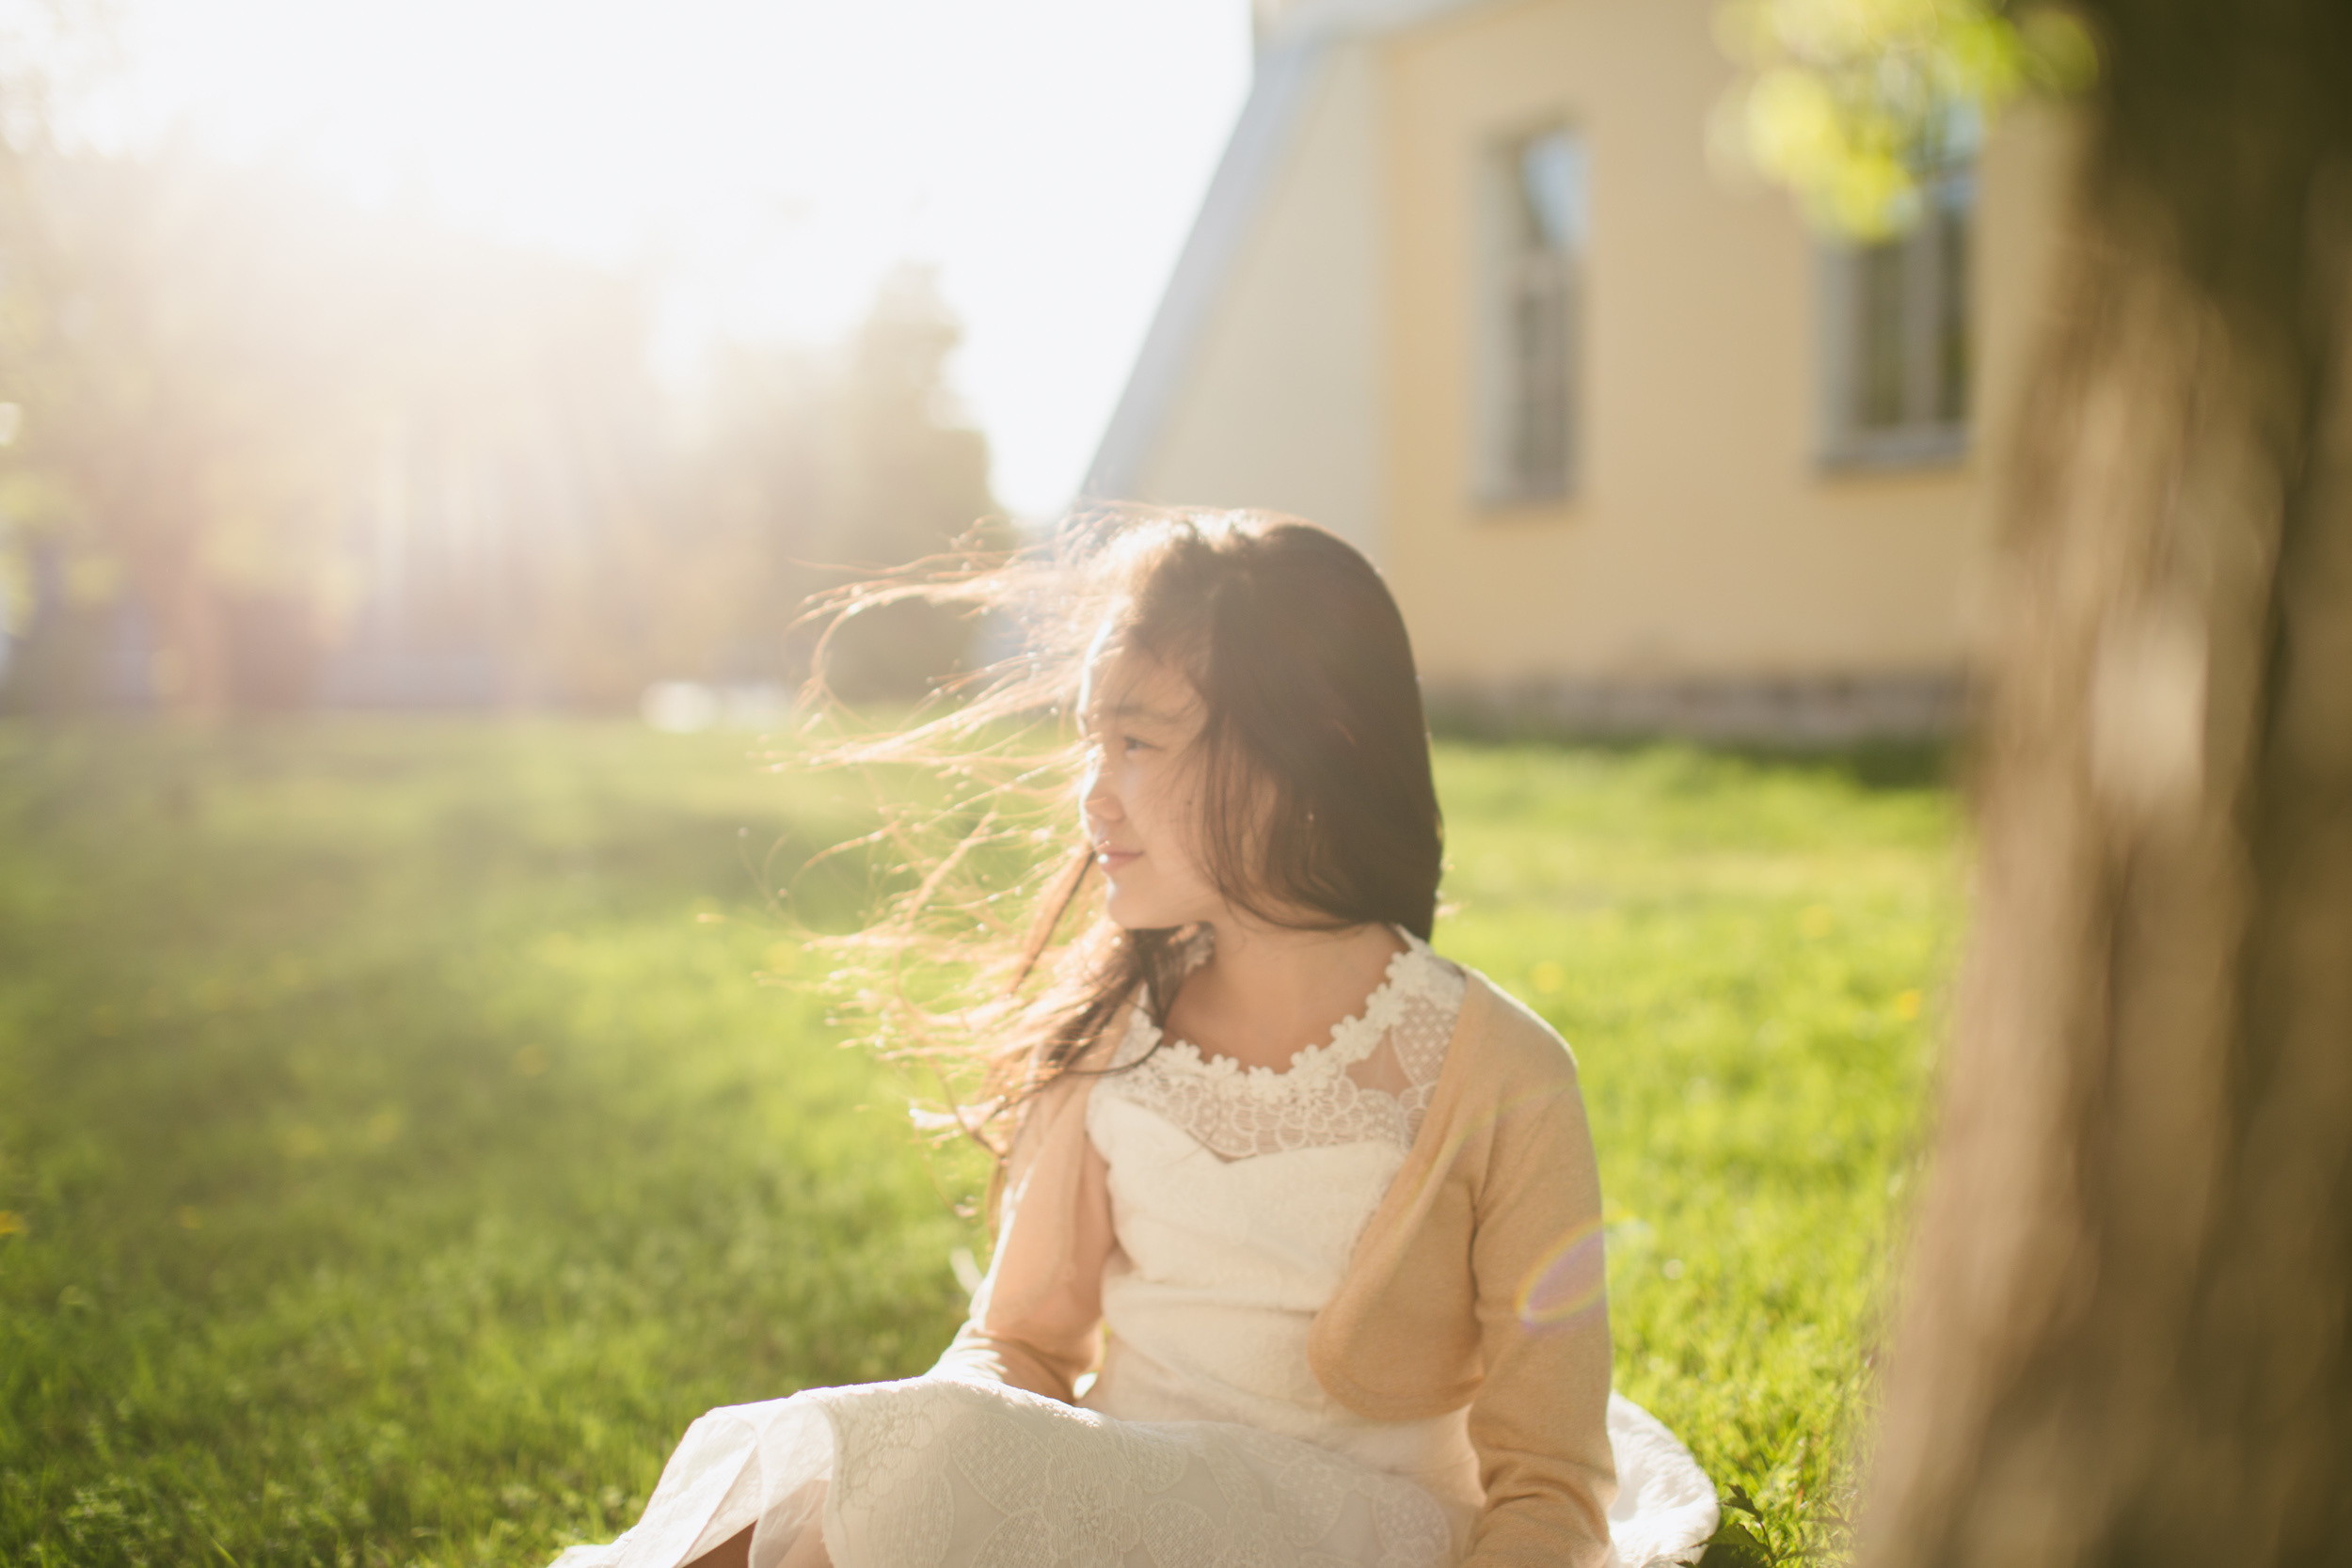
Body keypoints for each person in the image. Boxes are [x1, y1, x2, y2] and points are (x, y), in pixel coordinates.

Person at [552, 512, 1718, 1568]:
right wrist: (958, 1482)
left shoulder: (1501, 1071)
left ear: (1302, 750)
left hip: (1356, 1531)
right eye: (1088, 743)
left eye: (1138, 743)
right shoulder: (1116, 1033)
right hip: (1116, 1514)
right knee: (899, 1458)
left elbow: (1550, 1486)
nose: (1091, 796)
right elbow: (1017, 1343)